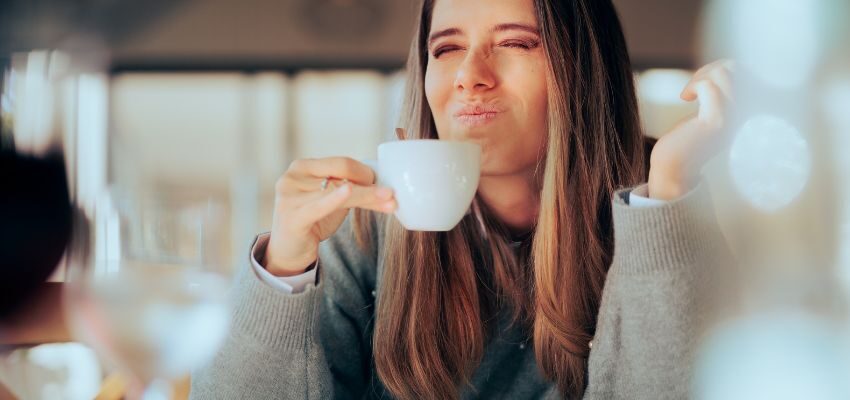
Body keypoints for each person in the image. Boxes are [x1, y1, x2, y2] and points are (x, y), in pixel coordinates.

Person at [191, 0, 734, 398]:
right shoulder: (360, 235)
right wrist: (282, 269)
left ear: (582, 70)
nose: (470, 77)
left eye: (516, 42)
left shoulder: (672, 217)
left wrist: (667, 195)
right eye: (446, 48)